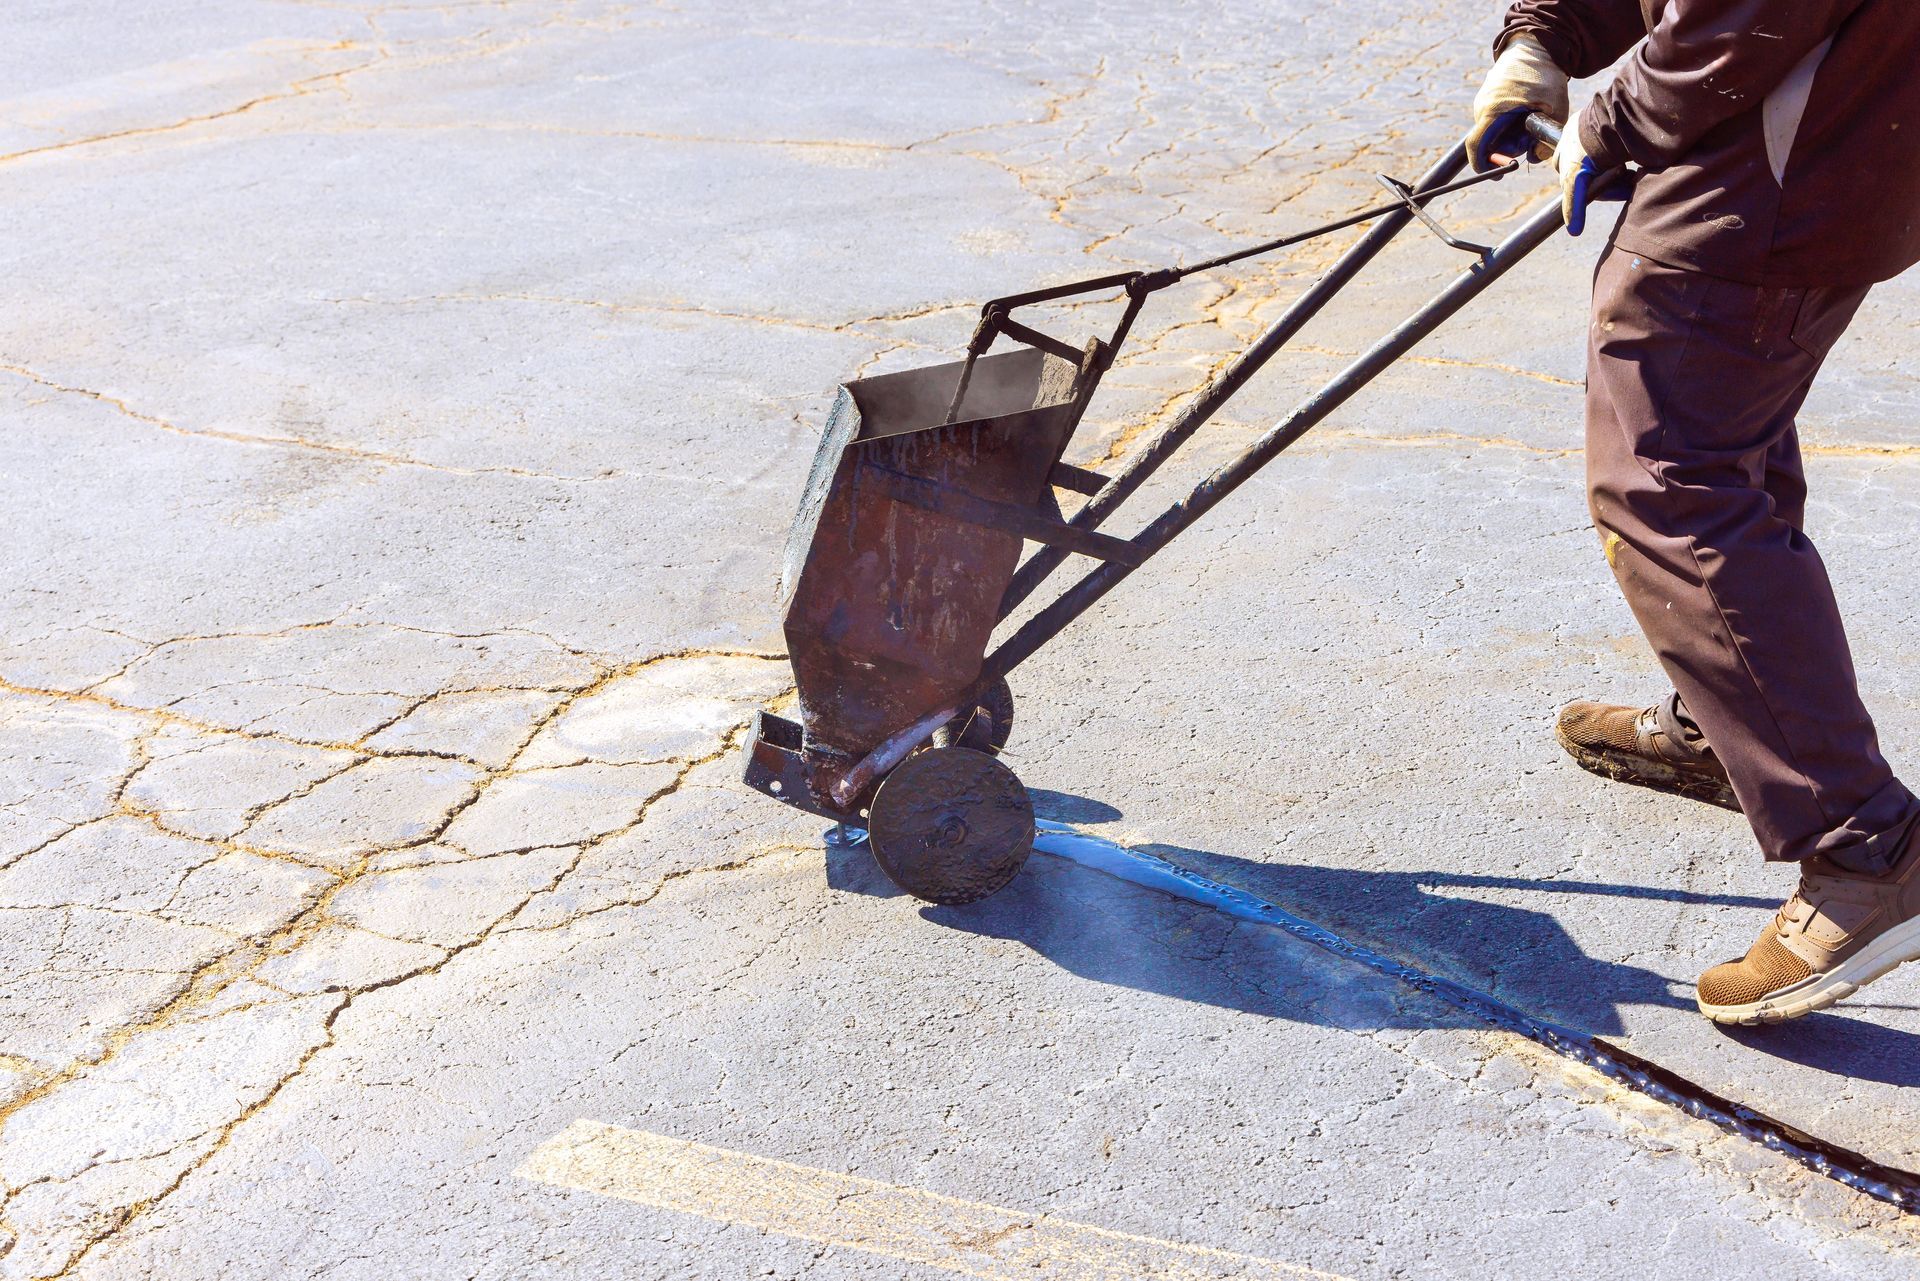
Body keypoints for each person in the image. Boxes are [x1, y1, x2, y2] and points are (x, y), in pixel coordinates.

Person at [1463, 1, 1920, 1024]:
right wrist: (1547, 41)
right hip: (1804, 153)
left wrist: (1608, 120)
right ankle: (1741, 726)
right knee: (1723, 441)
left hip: (1775, 170)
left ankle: (1864, 845)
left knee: (1670, 479)